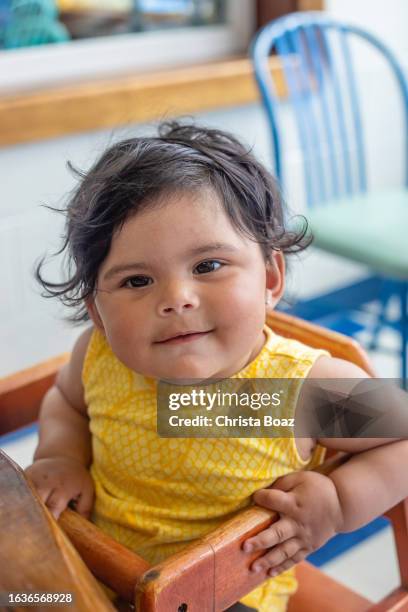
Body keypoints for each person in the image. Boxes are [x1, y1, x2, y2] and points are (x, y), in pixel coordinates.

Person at [26, 121, 408, 612]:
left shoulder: (296, 391)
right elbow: (65, 403)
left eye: (207, 266)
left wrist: (338, 501)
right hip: (90, 566)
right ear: (98, 312)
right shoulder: (99, 355)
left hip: (227, 591)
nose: (176, 299)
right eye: (137, 280)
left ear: (270, 277)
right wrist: (60, 455)